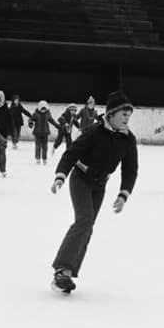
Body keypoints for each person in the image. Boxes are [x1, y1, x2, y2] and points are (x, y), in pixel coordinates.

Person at [49, 91, 138, 294]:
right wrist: (60, 175)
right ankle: (61, 270)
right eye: (123, 114)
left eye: (129, 115)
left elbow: (130, 169)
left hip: (99, 186)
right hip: (80, 178)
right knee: (84, 220)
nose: (127, 118)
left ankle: (68, 273)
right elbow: (72, 152)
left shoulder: (128, 140)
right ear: (111, 114)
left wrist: (123, 194)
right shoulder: (94, 132)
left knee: (88, 226)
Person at [28, 101, 60, 165]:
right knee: (38, 146)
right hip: (37, 133)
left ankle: (44, 158)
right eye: (42, 109)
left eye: (44, 109)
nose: (43, 110)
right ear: (39, 108)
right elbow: (31, 119)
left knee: (45, 147)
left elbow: (51, 120)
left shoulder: (48, 113)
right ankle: (38, 158)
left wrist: (57, 125)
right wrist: (30, 124)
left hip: (45, 133)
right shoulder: (36, 114)